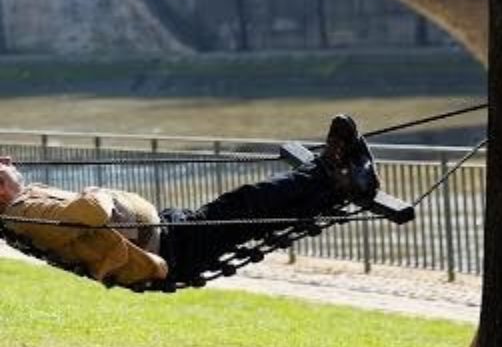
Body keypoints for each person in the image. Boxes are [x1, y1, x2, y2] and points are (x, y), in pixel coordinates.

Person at [0, 115, 381, 292]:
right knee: (248, 205)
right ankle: (331, 174)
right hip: (169, 249)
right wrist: (96, 190)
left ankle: (334, 181)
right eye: (1, 167)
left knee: (253, 213)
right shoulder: (23, 210)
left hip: (165, 233)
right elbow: (90, 214)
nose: (8, 162)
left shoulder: (20, 205)